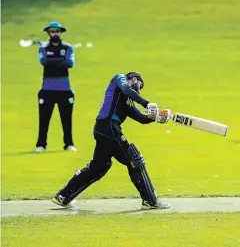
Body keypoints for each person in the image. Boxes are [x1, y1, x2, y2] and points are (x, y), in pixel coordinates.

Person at [51, 72, 172, 210]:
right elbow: (127, 89)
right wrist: (146, 103)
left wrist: (157, 117)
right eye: (140, 86)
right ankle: (150, 201)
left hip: (103, 130)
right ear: (134, 79)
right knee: (134, 159)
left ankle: (63, 196)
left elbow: (141, 119)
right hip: (108, 127)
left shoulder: (127, 100)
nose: (140, 89)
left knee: (99, 167)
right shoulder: (119, 79)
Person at [36, 22, 77, 152]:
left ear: (60, 33)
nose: (55, 34)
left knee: (66, 119)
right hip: (47, 89)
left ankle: (69, 144)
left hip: (64, 89)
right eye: (53, 31)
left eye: (57, 31)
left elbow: (70, 63)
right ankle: (41, 145)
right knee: (44, 119)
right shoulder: (44, 48)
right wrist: (60, 60)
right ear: (49, 33)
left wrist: (53, 60)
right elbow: (43, 61)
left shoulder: (68, 47)